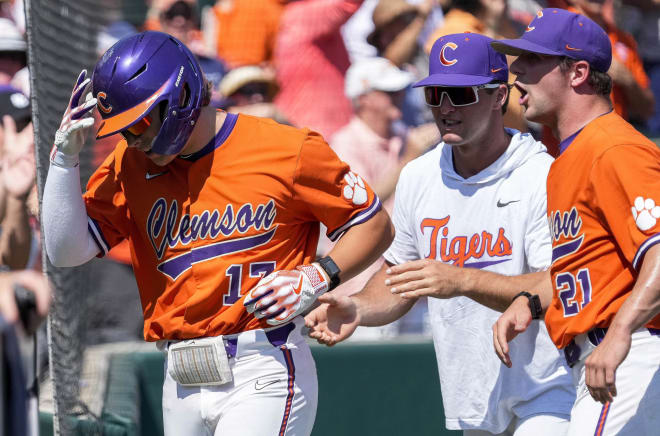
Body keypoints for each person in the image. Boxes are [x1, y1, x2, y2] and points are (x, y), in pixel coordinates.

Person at [41, 31, 393, 435]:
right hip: (179, 378)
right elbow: (65, 250)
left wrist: (317, 274)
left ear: (181, 95)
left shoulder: (286, 148)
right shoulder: (129, 164)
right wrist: (64, 160)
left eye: (139, 122)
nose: (132, 139)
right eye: (123, 129)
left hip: (263, 364)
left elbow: (374, 224)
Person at [306, 33, 574, 435]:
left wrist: (461, 279)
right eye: (435, 94)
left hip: (546, 391)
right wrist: (359, 308)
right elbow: (399, 277)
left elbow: (555, 284)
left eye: (460, 94)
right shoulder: (419, 175)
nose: (445, 108)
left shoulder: (541, 173)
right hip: (472, 399)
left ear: (499, 95)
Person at [486, 8, 660, 435]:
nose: (516, 72)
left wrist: (619, 335)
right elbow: (592, 265)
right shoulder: (569, 157)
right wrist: (529, 301)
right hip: (603, 357)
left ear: (579, 72)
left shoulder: (614, 147)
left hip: (632, 351)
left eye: (532, 61)